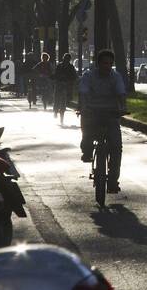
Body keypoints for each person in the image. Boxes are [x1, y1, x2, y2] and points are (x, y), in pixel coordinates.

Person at [78, 48, 127, 193]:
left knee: (116, 147)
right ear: (98, 64)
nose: (107, 66)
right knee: (87, 130)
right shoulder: (88, 76)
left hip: (111, 113)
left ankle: (113, 181)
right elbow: (83, 92)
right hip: (92, 111)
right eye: (104, 63)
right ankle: (86, 150)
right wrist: (84, 107)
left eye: (110, 64)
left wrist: (123, 107)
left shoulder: (116, 76)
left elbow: (121, 93)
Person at [52, 53, 78, 125]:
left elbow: (74, 76)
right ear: (63, 58)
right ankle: (55, 110)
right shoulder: (59, 66)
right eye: (65, 58)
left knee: (65, 99)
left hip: (67, 85)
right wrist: (55, 78)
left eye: (68, 59)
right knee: (56, 97)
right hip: (59, 84)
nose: (66, 60)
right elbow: (55, 74)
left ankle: (62, 111)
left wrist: (72, 80)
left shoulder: (71, 67)